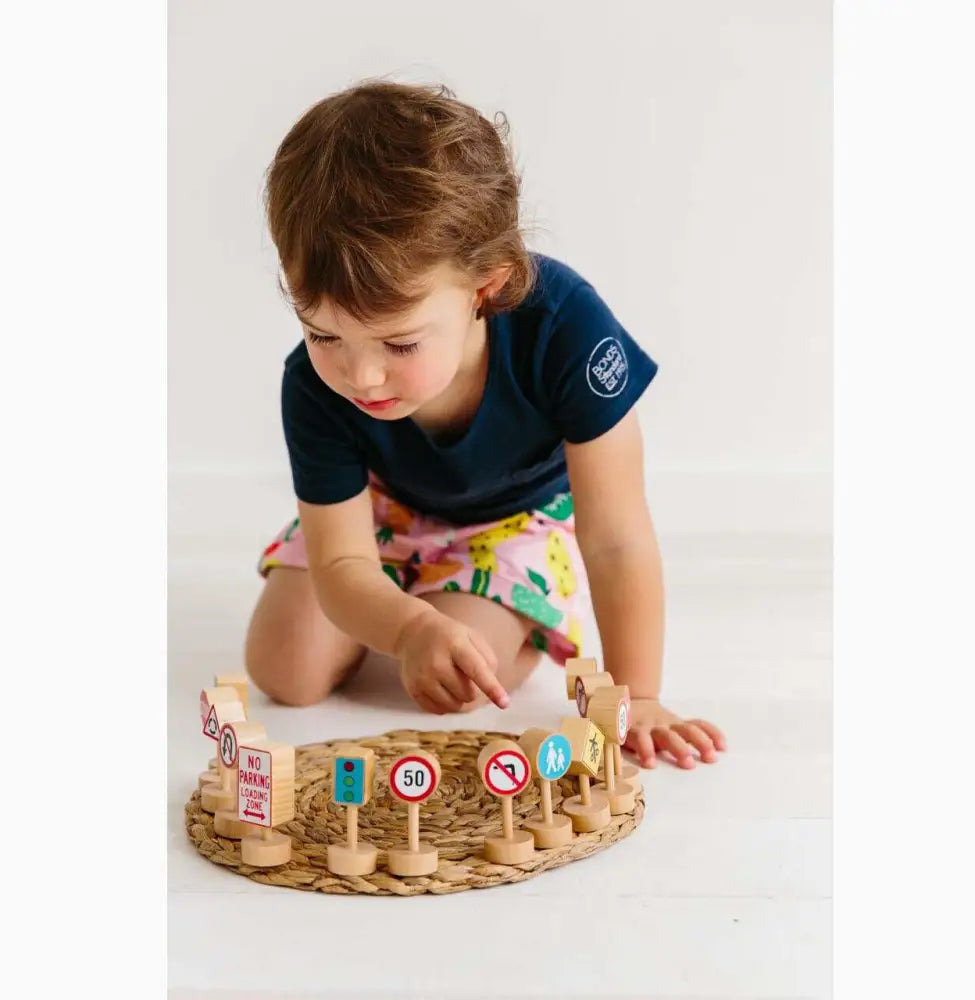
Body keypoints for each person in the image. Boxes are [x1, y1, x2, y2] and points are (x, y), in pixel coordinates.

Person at [245, 80, 726, 770]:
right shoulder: (311, 384)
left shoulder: (567, 329)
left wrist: (635, 696)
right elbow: (343, 561)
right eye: (323, 335)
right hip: (385, 507)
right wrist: (408, 627)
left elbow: (617, 537)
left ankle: (523, 617)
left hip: (516, 518)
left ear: (487, 288)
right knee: (284, 669)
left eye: (400, 344)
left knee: (461, 680)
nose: (360, 376)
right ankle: (418, 595)